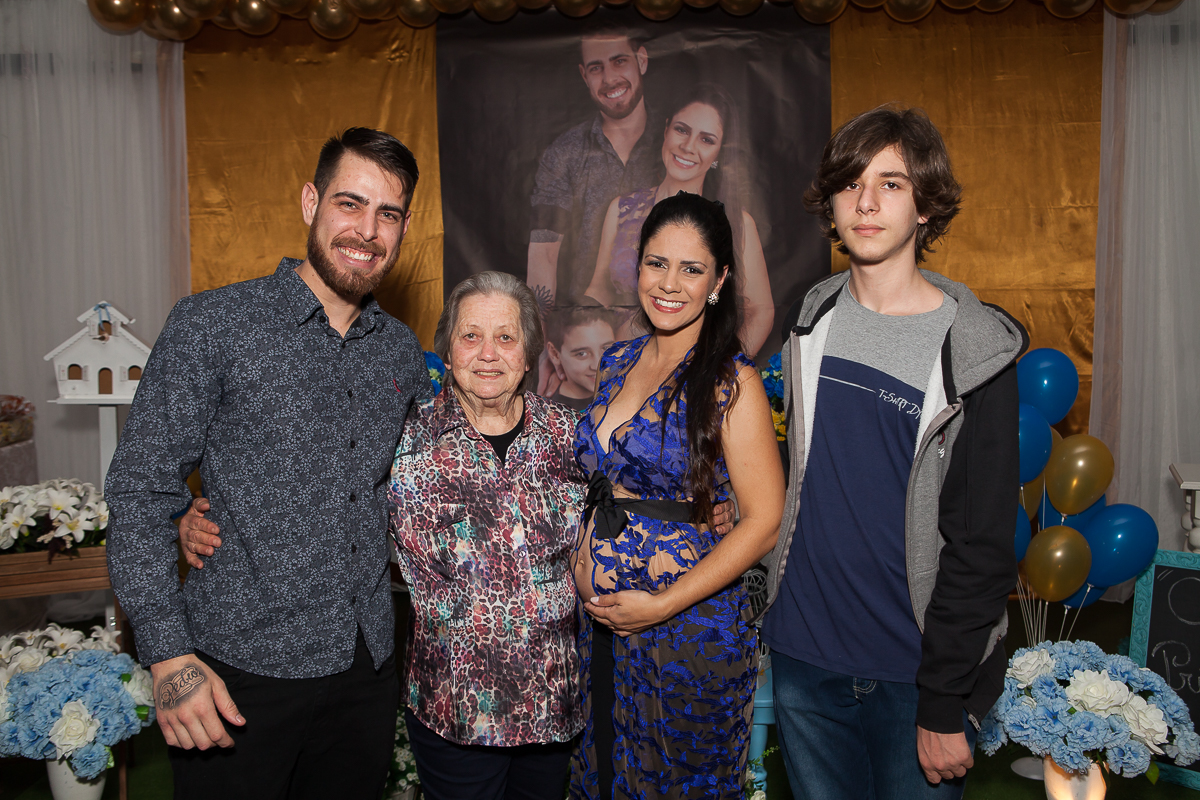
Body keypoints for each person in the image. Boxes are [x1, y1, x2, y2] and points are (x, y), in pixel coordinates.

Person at [105, 128, 432, 800]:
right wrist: (167, 654)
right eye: (350, 203)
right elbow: (140, 491)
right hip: (236, 671)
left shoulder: (401, 352)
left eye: (388, 214)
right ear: (311, 202)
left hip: (363, 670)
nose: (366, 231)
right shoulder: (212, 326)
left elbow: (421, 484)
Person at [759, 105, 1024, 799]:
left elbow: (983, 545)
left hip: (914, 675)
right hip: (804, 656)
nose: (866, 202)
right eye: (850, 184)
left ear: (926, 207)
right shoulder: (811, 319)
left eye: (892, 184)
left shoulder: (974, 349)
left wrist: (945, 701)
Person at [570, 192, 785, 799]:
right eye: (656, 263)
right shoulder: (616, 361)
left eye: (691, 269)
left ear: (718, 280)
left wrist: (662, 605)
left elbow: (765, 520)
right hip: (602, 633)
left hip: (687, 635)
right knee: (606, 776)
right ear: (636, 267)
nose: (670, 284)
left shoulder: (730, 382)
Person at [388, 271, 586, 800]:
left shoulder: (572, 437)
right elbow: (330, 507)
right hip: (454, 709)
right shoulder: (404, 439)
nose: (488, 354)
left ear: (530, 355)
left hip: (550, 703)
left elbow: (634, 507)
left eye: (506, 337)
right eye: (471, 336)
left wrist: (715, 509)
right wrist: (199, 513)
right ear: (447, 351)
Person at [584, 84, 774, 357]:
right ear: (665, 129)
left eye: (706, 139)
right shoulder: (621, 209)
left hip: (692, 374)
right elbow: (598, 290)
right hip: (621, 365)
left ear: (718, 152)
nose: (688, 146)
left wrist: (720, 369)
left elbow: (761, 310)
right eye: (682, 130)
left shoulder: (736, 223)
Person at [527, 21, 660, 322]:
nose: (610, 78)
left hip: (668, 328)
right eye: (596, 68)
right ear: (584, 75)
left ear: (641, 60)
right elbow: (544, 255)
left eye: (619, 61)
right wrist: (542, 343)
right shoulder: (563, 153)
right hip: (586, 335)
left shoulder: (676, 142)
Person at [544, 306, 617, 411]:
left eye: (606, 348)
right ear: (555, 354)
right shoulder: (552, 414)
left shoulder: (618, 390)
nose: (597, 364)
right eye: (582, 354)